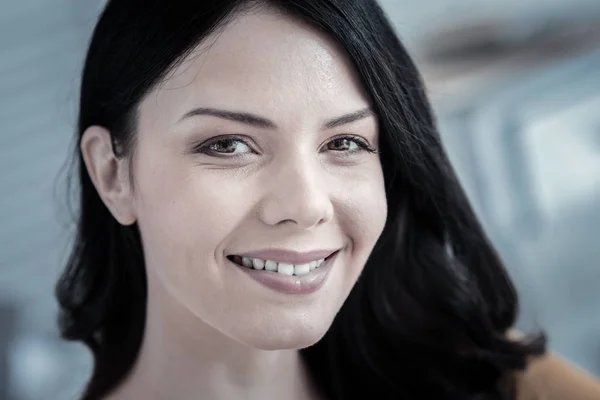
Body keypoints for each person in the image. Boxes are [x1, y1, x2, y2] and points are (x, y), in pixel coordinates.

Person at [55, 1, 600, 399]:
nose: (307, 204)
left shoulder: (505, 383)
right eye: (228, 145)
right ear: (112, 173)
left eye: (345, 143)